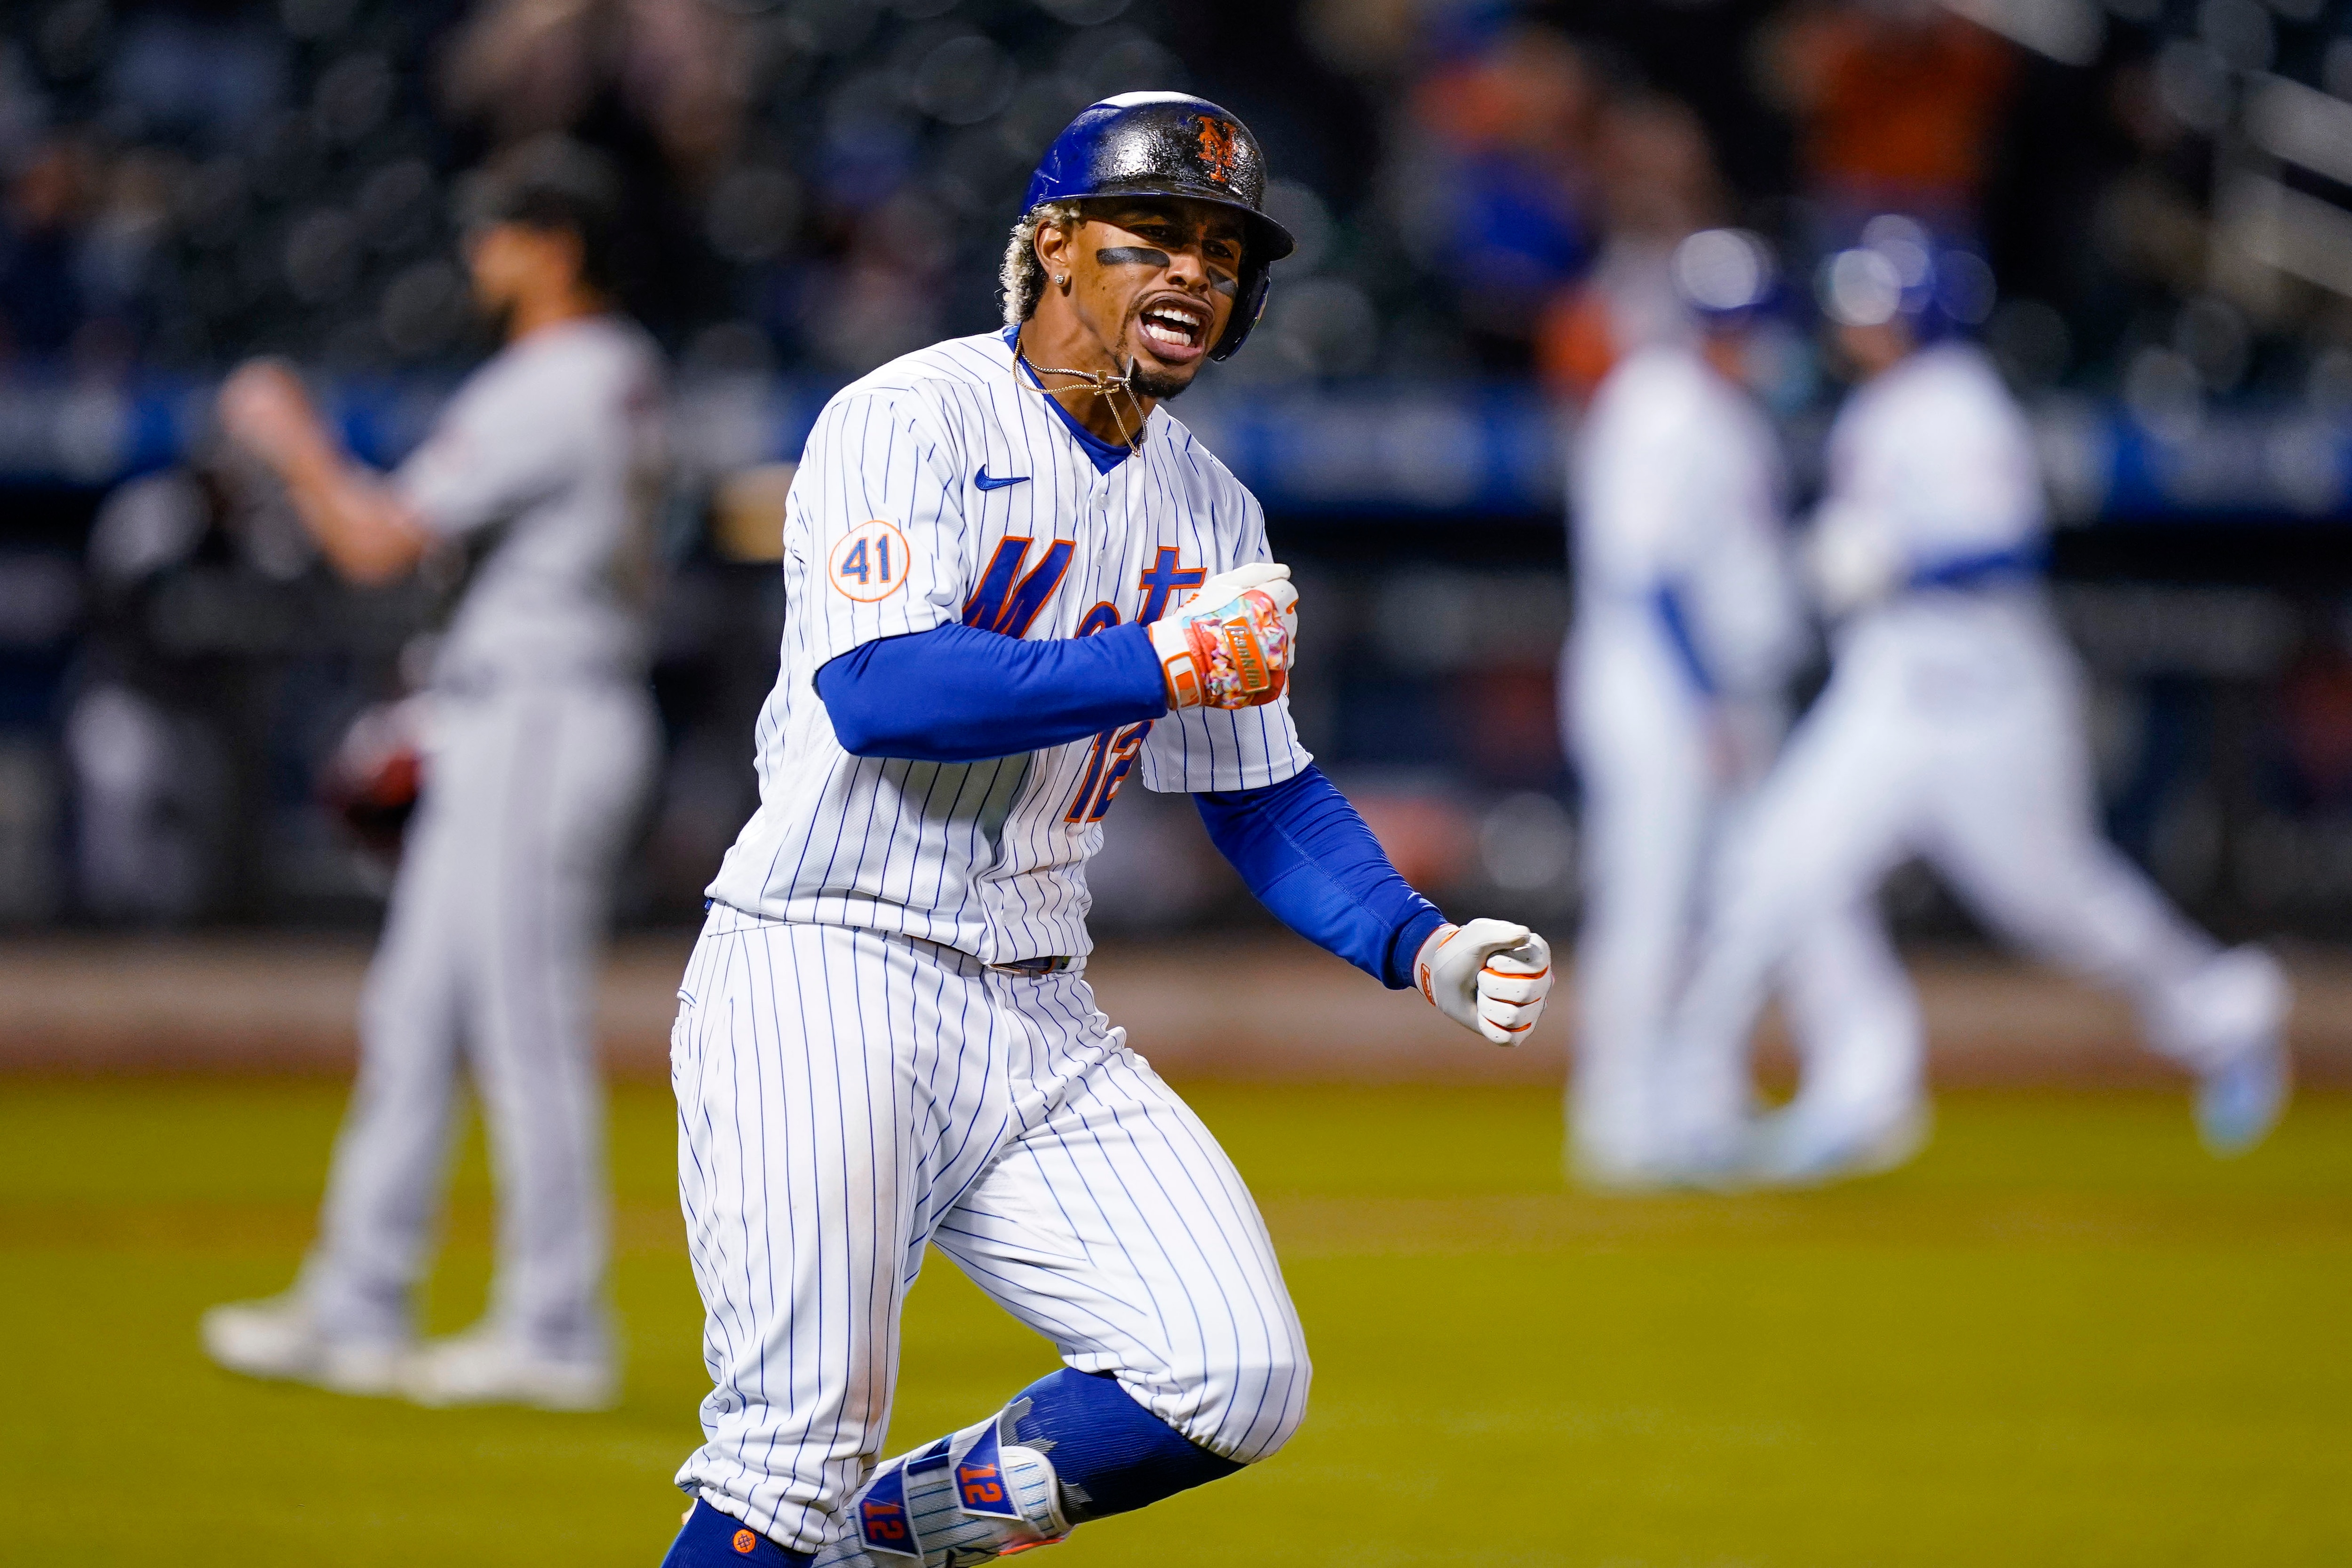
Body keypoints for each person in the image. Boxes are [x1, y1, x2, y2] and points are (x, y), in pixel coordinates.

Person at [658, 93, 1555, 1568]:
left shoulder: (1213, 509)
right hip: (827, 969)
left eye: (1223, 248)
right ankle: (825, 1524)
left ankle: (900, 1534)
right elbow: (884, 690)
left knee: (1233, 1370)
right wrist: (1161, 661)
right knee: (782, 1458)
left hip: (1038, 999)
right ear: (1057, 246)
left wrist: (1419, 940)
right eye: (1156, 236)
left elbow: (1258, 786)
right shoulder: (909, 413)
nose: (1195, 272)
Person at [1658, 219, 2290, 1185]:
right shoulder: (1880, 407)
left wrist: (1894, 559)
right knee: (1773, 869)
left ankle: (2225, 1012)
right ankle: (1720, 1101)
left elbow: (2006, 545)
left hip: (1986, 699)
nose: (1853, 324)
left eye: (1875, 306)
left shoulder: (1961, 404)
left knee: (2057, 902)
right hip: (1886, 692)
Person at [199, 137, 666, 1408]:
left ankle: (556, 1324)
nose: (480, 252)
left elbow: (370, 541)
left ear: (554, 245)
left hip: (539, 712)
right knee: (415, 1015)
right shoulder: (617, 371)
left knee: (520, 1026)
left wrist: (289, 434)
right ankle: (359, 1295)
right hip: (521, 705)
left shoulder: (558, 376)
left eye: (500, 229)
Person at [1565, 227, 1917, 1187]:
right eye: (1732, 321)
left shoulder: (1714, 406)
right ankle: (1621, 1120)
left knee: (1753, 896)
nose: (1746, 337)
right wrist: (1706, 705)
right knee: (1653, 903)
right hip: (1662, 693)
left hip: (1707, 691)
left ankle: (1699, 1102)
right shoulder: (1661, 404)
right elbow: (1652, 576)